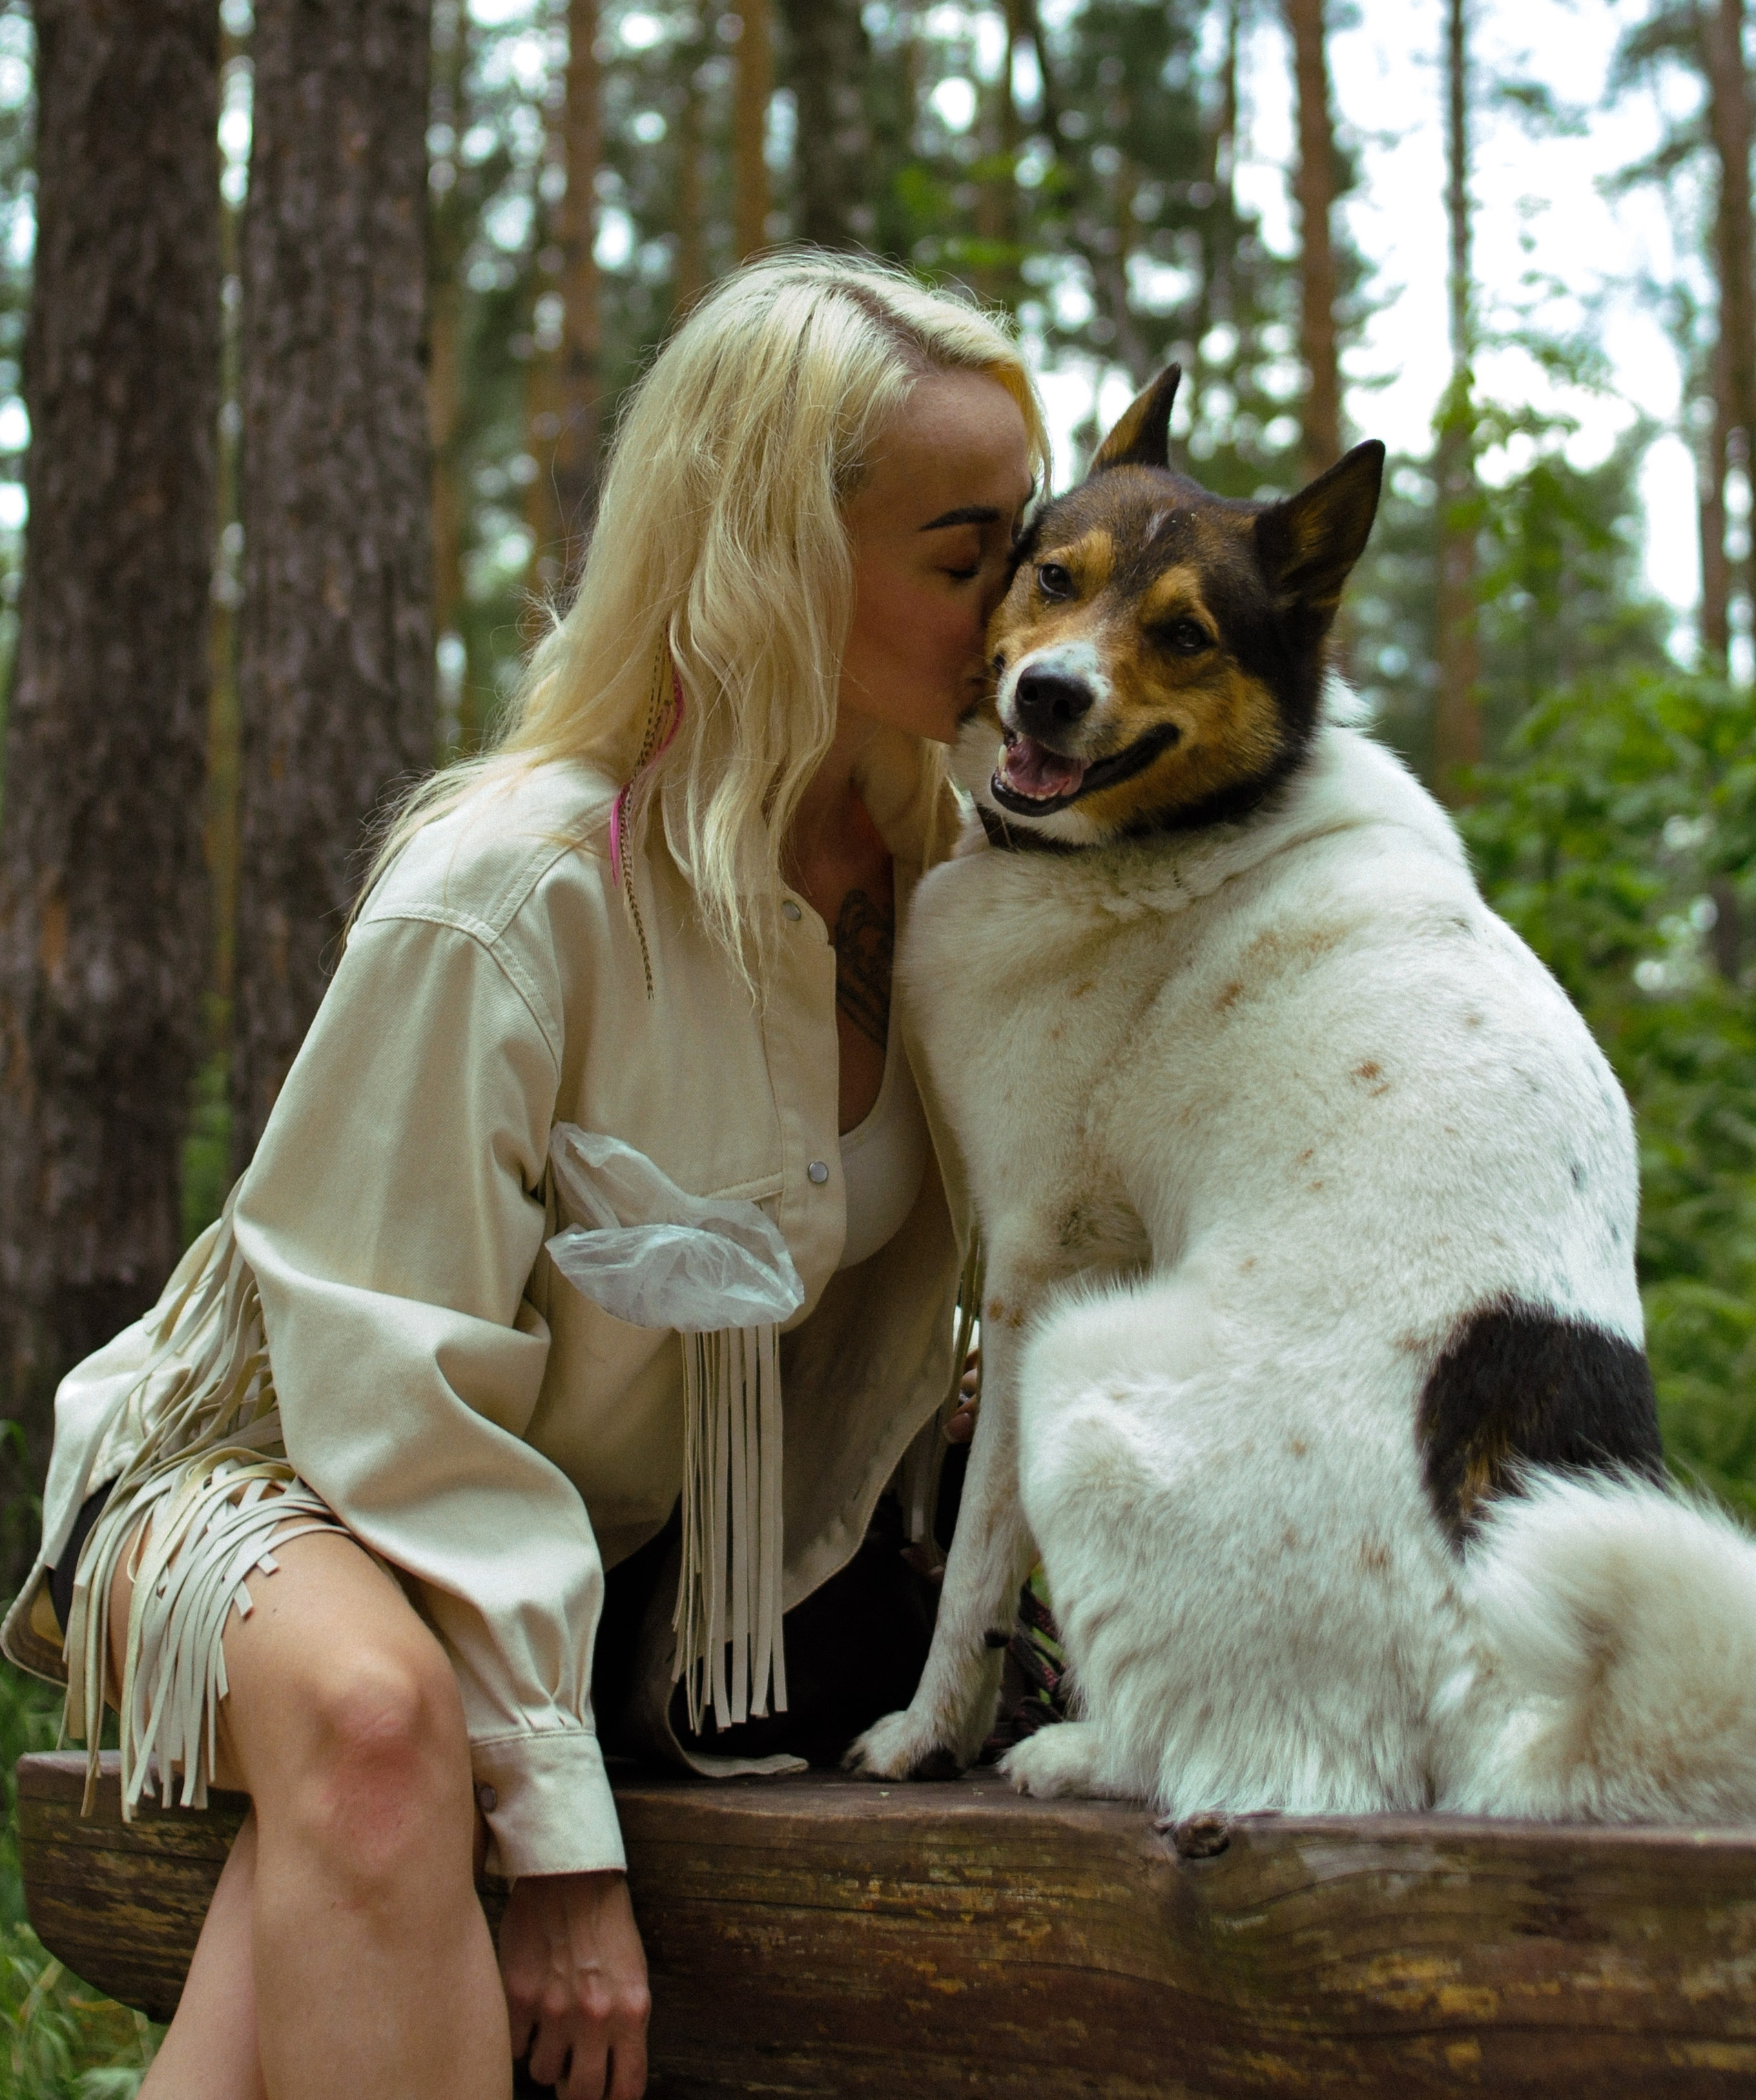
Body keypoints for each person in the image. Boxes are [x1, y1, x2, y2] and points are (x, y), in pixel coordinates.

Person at [3, 253, 1040, 2100]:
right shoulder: (519, 890)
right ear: (776, 558)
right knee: (382, 1730)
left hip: (573, 1541)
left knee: (336, 1829)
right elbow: (383, 1387)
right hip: (279, 1471)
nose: (1020, 613)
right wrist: (562, 1841)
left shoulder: (952, 871)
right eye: (966, 562)